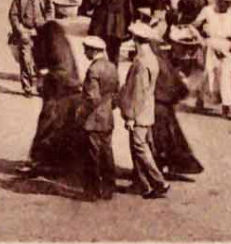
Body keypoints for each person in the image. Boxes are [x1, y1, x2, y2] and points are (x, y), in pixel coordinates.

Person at [24, 20, 84, 179]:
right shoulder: (60, 41)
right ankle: (58, 163)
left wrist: (44, 75)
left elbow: (51, 69)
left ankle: (39, 162)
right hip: (65, 91)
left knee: (48, 124)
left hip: (59, 92)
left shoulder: (48, 39)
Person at [119, 23, 170, 199]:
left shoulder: (141, 62)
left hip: (139, 111)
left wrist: (131, 116)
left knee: (139, 146)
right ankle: (142, 184)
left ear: (135, 40)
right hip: (147, 109)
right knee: (138, 146)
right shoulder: (151, 58)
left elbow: (138, 91)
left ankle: (159, 182)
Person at [149, 36, 203, 179]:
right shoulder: (166, 63)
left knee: (159, 139)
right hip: (165, 107)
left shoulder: (158, 62)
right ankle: (165, 166)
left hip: (158, 106)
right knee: (170, 139)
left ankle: (158, 169)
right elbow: (181, 89)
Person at [194, 0, 231, 118]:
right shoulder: (207, 11)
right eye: (226, 2)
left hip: (225, 47)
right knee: (207, 75)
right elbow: (194, 26)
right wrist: (200, 39)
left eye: (230, 2)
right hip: (210, 45)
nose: (228, 5)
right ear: (219, 0)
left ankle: (226, 107)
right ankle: (200, 101)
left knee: (225, 76)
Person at [79, 36, 120, 201]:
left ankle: (92, 191)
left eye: (86, 49)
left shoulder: (93, 70)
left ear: (93, 51)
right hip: (108, 116)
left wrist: (81, 113)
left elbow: (92, 98)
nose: (84, 53)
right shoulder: (112, 67)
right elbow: (116, 92)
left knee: (92, 156)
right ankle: (109, 188)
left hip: (94, 119)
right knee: (107, 152)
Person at [7, 0, 51, 96]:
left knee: (42, 61)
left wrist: (47, 23)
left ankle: (41, 86)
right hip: (25, 31)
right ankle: (27, 87)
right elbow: (13, 14)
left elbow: (49, 10)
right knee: (25, 60)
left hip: (41, 31)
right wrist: (20, 30)